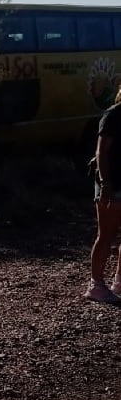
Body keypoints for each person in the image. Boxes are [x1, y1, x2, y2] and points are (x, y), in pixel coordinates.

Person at [85, 84, 121, 303]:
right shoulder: (114, 115)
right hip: (113, 183)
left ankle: (119, 280)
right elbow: (101, 151)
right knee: (106, 234)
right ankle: (96, 284)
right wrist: (105, 182)